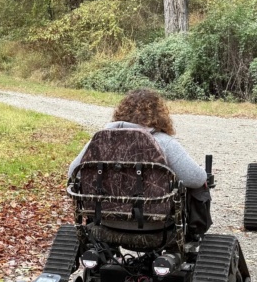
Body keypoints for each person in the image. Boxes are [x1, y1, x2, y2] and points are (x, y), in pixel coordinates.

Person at [68, 88, 212, 237]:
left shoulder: (99, 140)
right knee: (199, 186)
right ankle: (193, 235)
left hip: (105, 221)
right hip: (157, 227)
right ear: (159, 115)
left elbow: (72, 173)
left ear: (121, 112)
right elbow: (196, 179)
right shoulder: (163, 141)